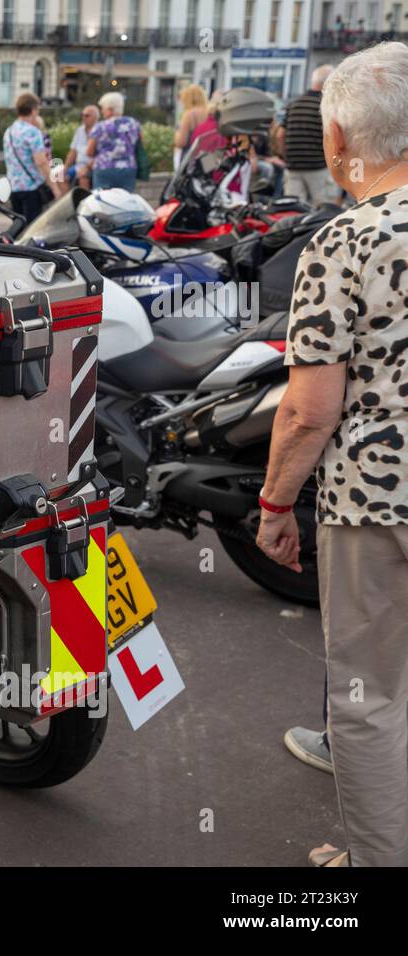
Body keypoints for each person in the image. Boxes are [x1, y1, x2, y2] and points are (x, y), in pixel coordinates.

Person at [255, 41, 408, 868]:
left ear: (341, 138)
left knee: (370, 698)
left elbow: (310, 410)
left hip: (378, 509)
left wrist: (277, 506)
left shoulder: (345, 243)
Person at [278, 65, 341, 205]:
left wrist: (285, 157)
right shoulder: (326, 106)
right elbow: (333, 137)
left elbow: (280, 135)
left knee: (293, 209)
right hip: (318, 167)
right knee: (323, 209)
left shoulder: (293, 104)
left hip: (293, 167)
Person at [3, 91, 61, 222]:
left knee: (19, 228)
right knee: (32, 230)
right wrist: (55, 188)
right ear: (33, 110)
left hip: (14, 187)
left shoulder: (9, 131)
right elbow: (41, 162)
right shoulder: (33, 132)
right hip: (31, 189)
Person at [87, 91, 142, 192]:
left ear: (110, 110)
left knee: (103, 200)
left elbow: (89, 151)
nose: (102, 112)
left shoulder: (100, 126)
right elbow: (140, 143)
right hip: (128, 168)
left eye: (103, 109)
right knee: (125, 199)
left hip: (104, 168)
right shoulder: (134, 123)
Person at [173, 83, 209, 170]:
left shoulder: (189, 115)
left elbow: (181, 142)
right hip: (208, 158)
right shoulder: (209, 112)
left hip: (191, 159)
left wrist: (176, 135)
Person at [65, 104, 98, 188]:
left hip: (93, 166)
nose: (83, 117)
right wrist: (65, 167)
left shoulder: (100, 130)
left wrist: (87, 167)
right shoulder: (79, 130)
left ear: (96, 118)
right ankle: (67, 200)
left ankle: (84, 200)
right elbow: (73, 152)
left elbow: (101, 155)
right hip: (78, 166)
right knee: (58, 176)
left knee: (83, 177)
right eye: (82, 115)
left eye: (87, 115)